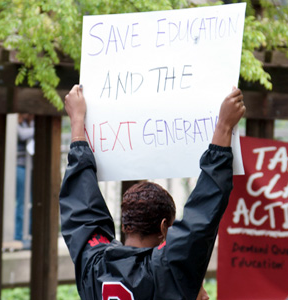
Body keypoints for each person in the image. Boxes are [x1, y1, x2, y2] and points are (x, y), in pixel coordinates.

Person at [60, 84, 245, 300]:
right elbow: (202, 217)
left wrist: (77, 122)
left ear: (126, 225)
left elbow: (81, 210)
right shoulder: (166, 270)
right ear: (163, 228)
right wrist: (223, 127)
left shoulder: (93, 265)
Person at [15, 113, 34, 245]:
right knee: (21, 202)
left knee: (31, 202)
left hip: (30, 167)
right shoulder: (15, 123)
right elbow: (21, 134)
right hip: (20, 166)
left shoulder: (29, 123)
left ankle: (29, 234)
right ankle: (18, 236)